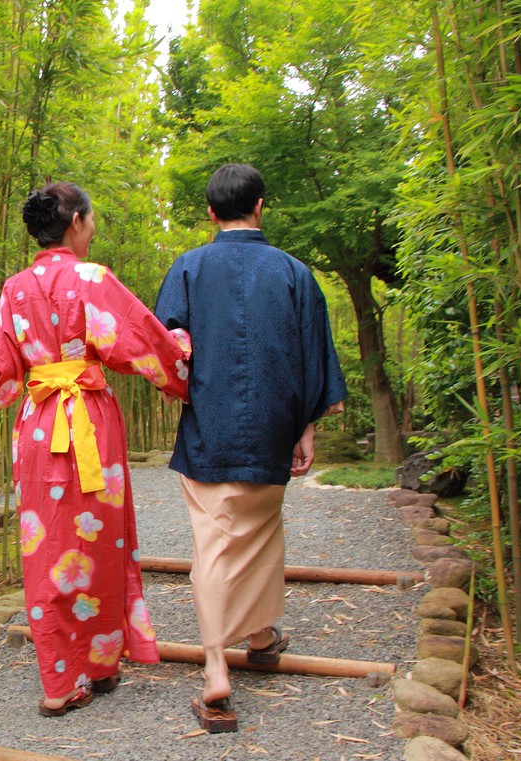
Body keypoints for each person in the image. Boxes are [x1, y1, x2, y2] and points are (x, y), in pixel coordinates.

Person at [0, 181, 191, 716]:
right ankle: (90, 667)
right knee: (101, 541)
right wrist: (182, 354)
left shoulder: (15, 287)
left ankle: (76, 671)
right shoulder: (92, 278)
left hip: (38, 425)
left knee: (47, 548)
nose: (93, 227)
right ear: (77, 221)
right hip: (89, 420)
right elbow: (140, 340)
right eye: (92, 218)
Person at [154, 163, 347, 733]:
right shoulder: (293, 272)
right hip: (272, 426)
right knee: (262, 529)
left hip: (210, 424)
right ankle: (258, 638)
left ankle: (219, 668)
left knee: (214, 542)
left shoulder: (188, 267)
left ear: (211, 213)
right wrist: (307, 428)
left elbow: (167, 347)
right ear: (261, 206)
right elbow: (314, 356)